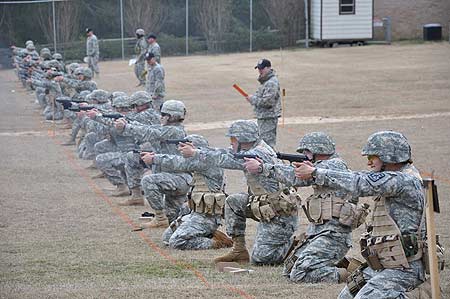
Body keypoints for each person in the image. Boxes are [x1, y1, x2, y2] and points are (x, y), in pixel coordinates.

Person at [295, 131, 426, 298]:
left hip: (404, 268)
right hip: (383, 264)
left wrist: (315, 173)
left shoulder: (404, 180)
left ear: (389, 157)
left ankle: (420, 294)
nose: (369, 162)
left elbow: (360, 183)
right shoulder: (397, 176)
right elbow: (361, 176)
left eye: (372, 157)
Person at [245, 132, 367, 283]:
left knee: (300, 274)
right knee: (289, 269)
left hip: (334, 235)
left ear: (318, 150)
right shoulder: (321, 168)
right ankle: (335, 264)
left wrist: (263, 168)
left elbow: (295, 177)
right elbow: (298, 177)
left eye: (306, 151)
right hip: (318, 233)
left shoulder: (334, 165)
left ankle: (358, 276)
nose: (304, 154)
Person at [179, 120, 298, 265]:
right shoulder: (253, 149)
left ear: (243, 139)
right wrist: (199, 152)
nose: (231, 143)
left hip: (279, 214)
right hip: (263, 206)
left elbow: (226, 159)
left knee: (262, 259)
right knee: (234, 201)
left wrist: (195, 153)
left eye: (233, 139)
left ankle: (295, 247)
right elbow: (225, 152)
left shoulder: (257, 153)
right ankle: (238, 250)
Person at [141, 134, 233, 250]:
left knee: (177, 242)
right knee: (166, 238)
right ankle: (208, 235)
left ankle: (217, 243)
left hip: (207, 217)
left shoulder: (206, 161)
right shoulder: (201, 161)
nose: (182, 150)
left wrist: (155, 158)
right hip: (196, 214)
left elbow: (178, 162)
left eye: (187, 147)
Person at [114, 100, 192, 225]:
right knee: (174, 218)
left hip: (179, 179)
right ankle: (164, 216)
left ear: (170, 116)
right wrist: (127, 123)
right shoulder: (168, 129)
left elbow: (149, 132)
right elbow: (148, 128)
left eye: (163, 115)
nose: (160, 117)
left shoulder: (174, 131)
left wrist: (126, 127)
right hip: (172, 178)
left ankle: (160, 218)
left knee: (148, 180)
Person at [245, 59, 281, 149]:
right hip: (264, 117)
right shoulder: (266, 82)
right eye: (259, 69)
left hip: (268, 117)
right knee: (262, 144)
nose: (260, 71)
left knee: (267, 145)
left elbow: (268, 102)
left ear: (269, 68)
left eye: (262, 68)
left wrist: (252, 99)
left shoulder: (271, 83)